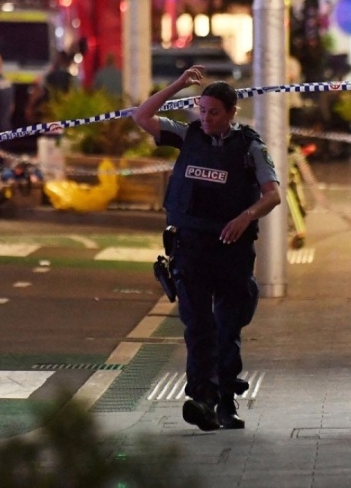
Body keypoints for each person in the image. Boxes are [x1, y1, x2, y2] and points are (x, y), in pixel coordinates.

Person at [131, 65, 281, 431]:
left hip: (231, 249)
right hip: (191, 247)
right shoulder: (188, 136)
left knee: (226, 326)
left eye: (214, 112)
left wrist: (245, 217)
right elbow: (142, 115)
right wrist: (178, 84)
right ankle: (202, 399)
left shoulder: (250, 147)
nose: (207, 118)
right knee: (197, 326)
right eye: (202, 110)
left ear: (232, 113)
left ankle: (225, 398)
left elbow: (273, 194)